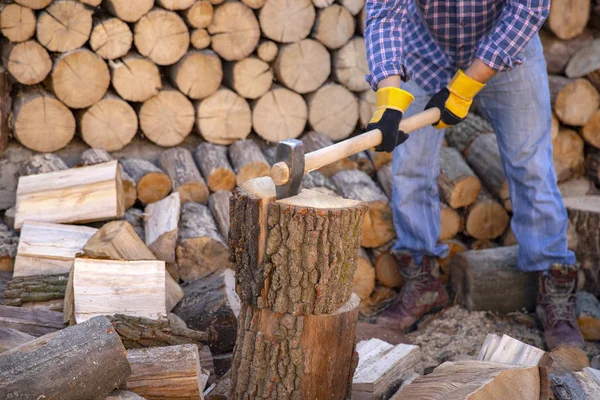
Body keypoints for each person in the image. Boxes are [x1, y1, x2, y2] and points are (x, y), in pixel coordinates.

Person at [363, 0, 584, 350]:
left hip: (510, 49)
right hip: (425, 51)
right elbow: (384, 12)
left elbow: (528, 8)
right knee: (410, 168)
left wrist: (467, 84)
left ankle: (553, 282)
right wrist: (390, 95)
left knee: (531, 166)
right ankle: (422, 282)